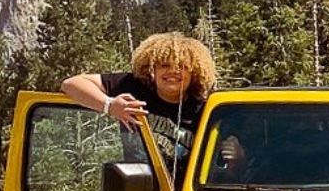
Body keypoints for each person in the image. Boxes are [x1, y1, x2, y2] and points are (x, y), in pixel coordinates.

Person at [62, 32, 218, 174]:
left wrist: (236, 155)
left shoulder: (205, 109)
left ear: (194, 72)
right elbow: (71, 84)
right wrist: (109, 105)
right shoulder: (133, 88)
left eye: (182, 66)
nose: (173, 71)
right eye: (164, 65)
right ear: (152, 68)